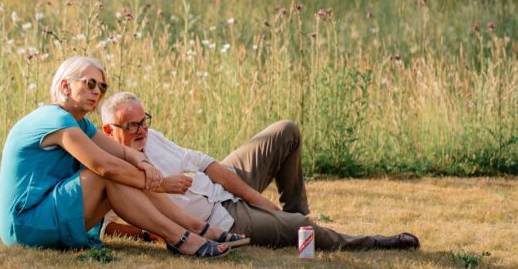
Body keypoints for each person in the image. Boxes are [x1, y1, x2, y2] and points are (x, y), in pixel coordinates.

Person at [100, 92, 421, 252]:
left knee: (286, 131)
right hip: (219, 216)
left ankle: (295, 219)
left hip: (220, 181)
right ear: (108, 129)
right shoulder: (111, 167)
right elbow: (108, 227)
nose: (141, 129)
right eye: (131, 125)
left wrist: (257, 198)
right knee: (296, 226)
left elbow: (203, 162)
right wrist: (151, 233)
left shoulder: (148, 135)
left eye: (144, 121)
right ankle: (375, 243)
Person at [0, 56, 249, 259]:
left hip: (47, 215)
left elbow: (120, 151)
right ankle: (180, 237)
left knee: (123, 170)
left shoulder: (79, 124)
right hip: (26, 224)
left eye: (102, 87)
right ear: (65, 86)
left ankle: (194, 228)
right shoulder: (54, 121)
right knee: (107, 176)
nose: (97, 92)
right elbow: (104, 165)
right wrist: (162, 183)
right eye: (90, 83)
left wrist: (140, 162)